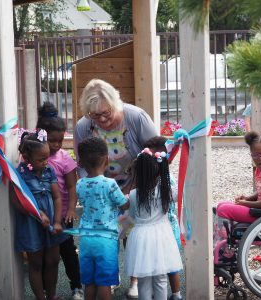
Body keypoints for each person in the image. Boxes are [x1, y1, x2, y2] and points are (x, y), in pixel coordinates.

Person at [74, 78, 157, 297]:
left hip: (136, 183)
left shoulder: (136, 118)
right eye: (95, 115)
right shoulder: (83, 126)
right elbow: (81, 165)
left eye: (106, 113)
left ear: (115, 103)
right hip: (104, 189)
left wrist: (134, 190)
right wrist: (93, 187)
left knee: (134, 233)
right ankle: (108, 277)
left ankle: (135, 279)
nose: (101, 119)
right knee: (107, 236)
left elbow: (156, 155)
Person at [10, 130, 65, 300]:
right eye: (41, 159)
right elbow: (16, 202)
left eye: (47, 158)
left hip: (51, 221)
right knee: (36, 263)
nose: (45, 162)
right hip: (30, 225)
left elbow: (57, 197)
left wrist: (57, 221)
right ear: (26, 157)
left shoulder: (49, 171)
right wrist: (36, 213)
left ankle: (52, 296)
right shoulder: (19, 175)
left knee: (53, 260)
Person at [37, 103, 83, 300]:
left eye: (60, 140)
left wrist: (71, 209)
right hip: (41, 215)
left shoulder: (64, 158)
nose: (56, 145)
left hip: (64, 214)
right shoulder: (34, 158)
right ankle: (47, 291)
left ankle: (77, 287)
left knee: (68, 252)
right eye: (52, 141)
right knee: (45, 255)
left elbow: (73, 186)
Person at [75, 137, 129, 300]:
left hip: (85, 239)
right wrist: (128, 197)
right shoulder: (110, 184)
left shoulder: (80, 184)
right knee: (104, 282)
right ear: (106, 159)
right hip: (106, 240)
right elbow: (124, 205)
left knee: (89, 282)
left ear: (81, 163)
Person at [124, 148, 183, 300]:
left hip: (140, 237)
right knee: (161, 278)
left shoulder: (132, 195)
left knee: (143, 279)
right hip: (161, 237)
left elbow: (131, 216)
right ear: (158, 173)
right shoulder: (165, 192)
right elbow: (182, 189)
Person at [216, 128, 261, 223]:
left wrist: (246, 204)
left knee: (223, 209)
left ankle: (223, 236)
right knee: (221, 204)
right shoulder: (259, 170)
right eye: (256, 155)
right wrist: (247, 198)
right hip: (260, 210)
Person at [142, 136, 183, 300]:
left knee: (166, 266)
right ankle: (174, 294)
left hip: (166, 229)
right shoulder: (162, 180)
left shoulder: (163, 181)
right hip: (166, 228)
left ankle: (174, 293)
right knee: (168, 265)